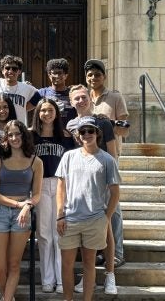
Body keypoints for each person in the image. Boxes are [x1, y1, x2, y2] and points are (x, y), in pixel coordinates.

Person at [56, 116, 121, 300]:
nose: (87, 134)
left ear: (97, 133)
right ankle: (68, 299)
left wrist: (106, 218)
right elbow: (61, 187)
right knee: (67, 264)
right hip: (70, 218)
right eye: (83, 131)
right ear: (77, 135)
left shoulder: (107, 160)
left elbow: (115, 193)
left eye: (90, 131)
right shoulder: (68, 156)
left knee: (89, 264)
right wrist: (60, 215)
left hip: (95, 219)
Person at [66, 84, 118, 294]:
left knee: (106, 227)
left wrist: (108, 180)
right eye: (76, 98)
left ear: (90, 98)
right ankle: (88, 276)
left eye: (84, 97)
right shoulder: (70, 125)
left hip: (101, 180)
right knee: (82, 229)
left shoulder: (102, 122)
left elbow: (112, 153)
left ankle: (110, 275)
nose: (80, 101)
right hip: (78, 181)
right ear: (71, 102)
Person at [0, 120, 43, 301]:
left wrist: (27, 205)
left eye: (17, 134)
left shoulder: (36, 162)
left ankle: (7, 298)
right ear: (6, 137)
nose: (14, 138)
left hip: (22, 215)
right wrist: (18, 205)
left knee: (14, 264)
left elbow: (36, 195)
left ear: (23, 135)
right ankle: (8, 296)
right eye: (10, 134)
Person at [85, 58, 129, 270]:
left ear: (104, 76)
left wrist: (108, 123)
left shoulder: (114, 97)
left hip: (109, 157)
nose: (94, 78)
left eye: (98, 74)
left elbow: (126, 128)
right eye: (90, 74)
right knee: (94, 206)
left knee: (113, 207)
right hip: (88, 159)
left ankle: (117, 252)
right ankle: (102, 250)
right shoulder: (83, 97)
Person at [30, 98, 75, 294]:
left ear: (56, 113)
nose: (46, 114)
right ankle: (47, 279)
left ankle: (61, 280)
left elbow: (72, 165)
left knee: (59, 233)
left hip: (60, 185)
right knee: (43, 233)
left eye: (50, 110)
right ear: (37, 114)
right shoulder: (31, 137)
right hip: (40, 185)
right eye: (42, 111)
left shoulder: (65, 137)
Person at [0, 55, 41, 125]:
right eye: (7, 68)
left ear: (19, 71)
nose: (10, 71)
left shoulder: (26, 88)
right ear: (2, 71)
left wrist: (23, 108)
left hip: (19, 130)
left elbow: (40, 97)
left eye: (14, 69)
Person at [37, 58, 77, 127]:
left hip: (69, 134)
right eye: (54, 73)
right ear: (49, 75)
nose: (57, 76)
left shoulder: (73, 93)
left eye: (60, 73)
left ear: (66, 75)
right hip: (48, 134)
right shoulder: (41, 93)